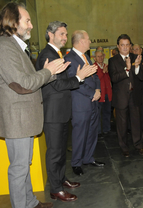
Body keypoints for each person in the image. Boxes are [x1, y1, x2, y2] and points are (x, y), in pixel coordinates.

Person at [0, 3, 70, 208]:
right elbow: (23, 85)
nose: (31, 26)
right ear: (13, 22)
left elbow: (29, 79)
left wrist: (50, 73)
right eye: (27, 20)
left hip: (23, 119)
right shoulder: (4, 47)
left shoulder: (14, 46)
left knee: (24, 166)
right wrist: (48, 71)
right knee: (19, 168)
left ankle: (30, 203)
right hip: (17, 119)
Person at [35, 21, 96, 202]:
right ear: (50, 34)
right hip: (53, 113)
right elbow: (57, 84)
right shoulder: (48, 54)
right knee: (54, 152)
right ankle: (55, 189)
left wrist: (78, 77)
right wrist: (79, 77)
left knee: (61, 150)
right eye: (61, 34)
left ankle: (60, 179)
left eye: (65, 34)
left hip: (60, 111)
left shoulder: (56, 53)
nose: (65, 37)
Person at [64, 30, 105, 176]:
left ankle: (88, 158)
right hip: (80, 105)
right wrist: (92, 93)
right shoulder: (69, 59)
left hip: (93, 102)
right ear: (81, 41)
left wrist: (98, 90)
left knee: (92, 133)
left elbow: (95, 77)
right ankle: (76, 163)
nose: (90, 42)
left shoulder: (85, 56)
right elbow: (74, 81)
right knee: (80, 134)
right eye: (88, 39)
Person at [108, 34, 143, 158]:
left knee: (136, 122)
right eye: (122, 45)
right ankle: (124, 147)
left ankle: (138, 145)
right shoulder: (113, 60)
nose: (125, 47)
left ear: (130, 46)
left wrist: (137, 66)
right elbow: (114, 78)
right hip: (121, 97)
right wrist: (127, 69)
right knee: (122, 124)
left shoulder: (136, 57)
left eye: (127, 45)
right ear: (118, 46)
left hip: (134, 96)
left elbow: (141, 77)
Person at [94, 50, 113, 137]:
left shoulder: (107, 66)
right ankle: (98, 132)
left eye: (101, 56)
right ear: (95, 58)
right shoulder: (93, 67)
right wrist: (103, 71)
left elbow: (110, 79)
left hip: (107, 94)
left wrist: (107, 71)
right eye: (98, 56)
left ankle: (107, 129)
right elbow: (96, 79)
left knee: (107, 112)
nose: (100, 58)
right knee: (98, 114)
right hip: (99, 95)